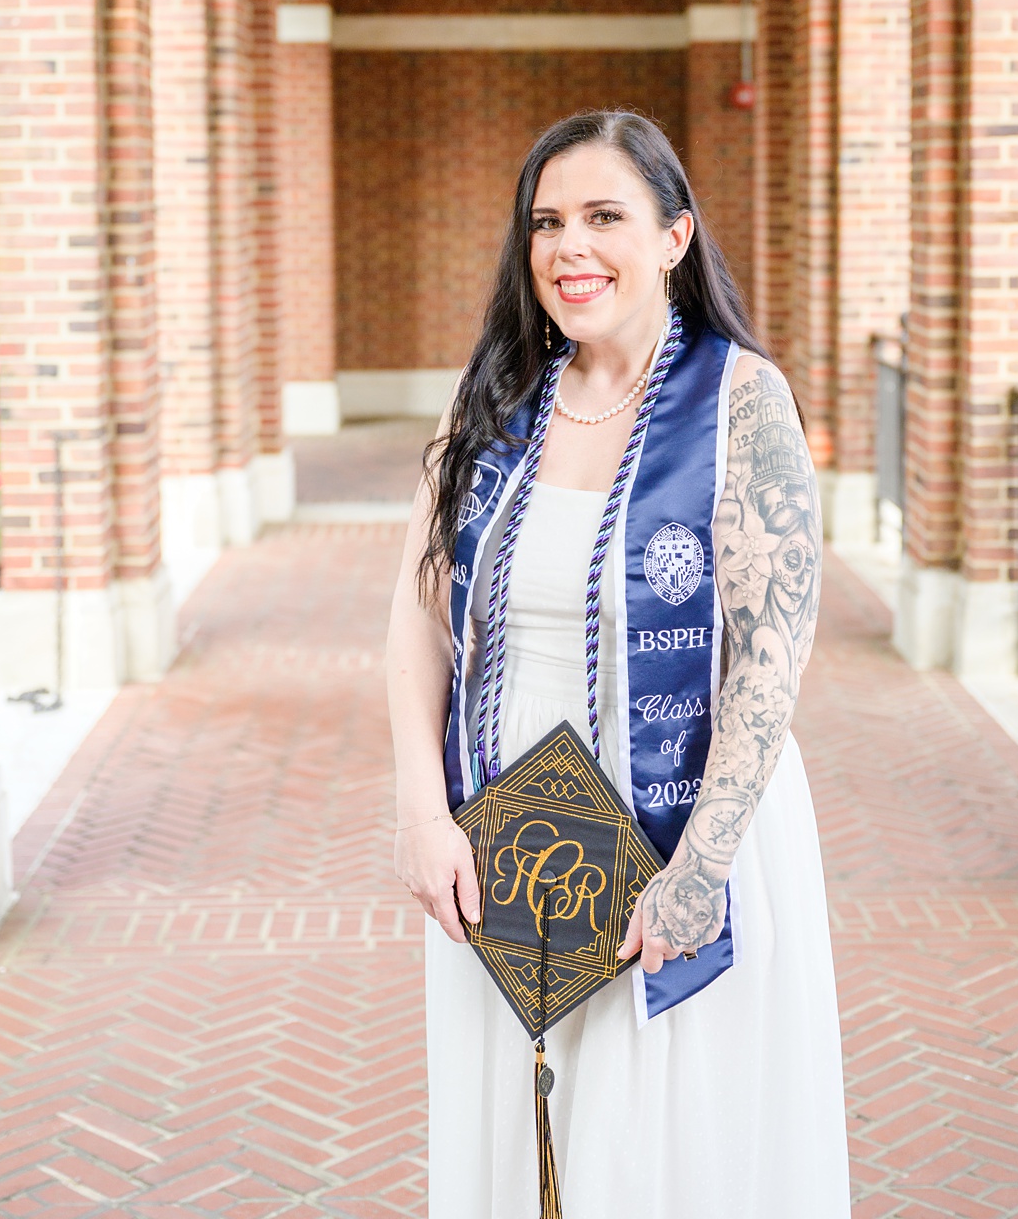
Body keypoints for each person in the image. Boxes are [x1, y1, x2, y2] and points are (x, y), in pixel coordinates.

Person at [384, 111, 849, 1215]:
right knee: (526, 1135)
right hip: (510, 835)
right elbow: (417, 619)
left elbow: (772, 656)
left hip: (683, 824)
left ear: (675, 235)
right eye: (547, 222)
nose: (569, 248)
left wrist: (703, 864)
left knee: (666, 1150)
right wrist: (419, 810)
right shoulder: (494, 402)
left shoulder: (739, 401)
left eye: (605, 216)